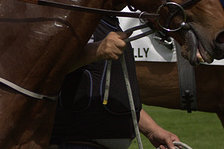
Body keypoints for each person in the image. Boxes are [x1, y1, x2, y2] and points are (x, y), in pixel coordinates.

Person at [49, 17, 180, 149]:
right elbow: (48, 67)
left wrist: (152, 130)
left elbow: (117, 95)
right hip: (74, 141)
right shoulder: (77, 19)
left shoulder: (111, 23)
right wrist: (96, 51)